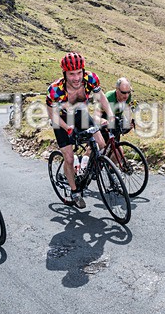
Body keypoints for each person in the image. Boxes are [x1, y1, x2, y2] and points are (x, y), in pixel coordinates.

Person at [46, 53, 114, 208]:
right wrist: (66, 128)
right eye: (71, 74)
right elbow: (52, 114)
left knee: (101, 144)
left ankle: (85, 165)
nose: (76, 78)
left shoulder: (90, 79)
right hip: (61, 121)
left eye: (79, 72)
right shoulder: (55, 90)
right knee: (69, 158)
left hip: (81, 114)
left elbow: (101, 97)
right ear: (64, 74)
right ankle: (75, 191)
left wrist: (110, 114)